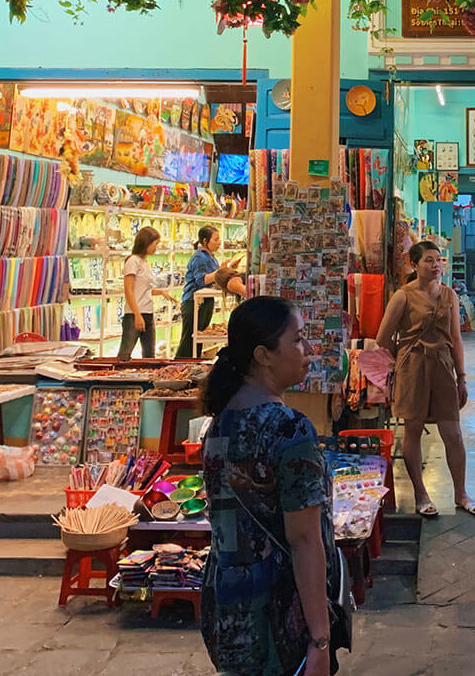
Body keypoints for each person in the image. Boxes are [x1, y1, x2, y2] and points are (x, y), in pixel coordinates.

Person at [200, 296, 340, 676]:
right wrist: (321, 640)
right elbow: (305, 541)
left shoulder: (219, 425)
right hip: (279, 614)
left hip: (226, 609)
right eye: (297, 340)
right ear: (264, 355)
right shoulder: (289, 429)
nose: (308, 349)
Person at [375, 241, 475, 518]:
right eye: (428, 260)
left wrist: (462, 377)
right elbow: (383, 338)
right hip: (413, 367)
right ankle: (421, 494)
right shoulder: (403, 296)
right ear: (414, 264)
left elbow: (456, 339)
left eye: (438, 260)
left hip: (444, 367)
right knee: (412, 430)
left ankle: (461, 493)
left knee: (453, 432)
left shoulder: (449, 295)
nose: (436, 265)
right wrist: (402, 361)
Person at [177, 226, 244, 359]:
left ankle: (193, 366)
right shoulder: (199, 257)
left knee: (198, 340)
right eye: (216, 239)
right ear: (205, 240)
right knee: (188, 341)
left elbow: (214, 279)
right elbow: (202, 280)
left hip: (206, 301)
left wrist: (225, 270)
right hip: (194, 303)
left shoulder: (211, 257)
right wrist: (221, 272)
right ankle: (179, 367)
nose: (219, 242)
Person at [120, 227, 175, 359]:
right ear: (146, 243)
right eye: (155, 244)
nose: (156, 248)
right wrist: (137, 314)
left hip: (148, 313)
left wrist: (161, 292)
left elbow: (143, 289)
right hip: (134, 314)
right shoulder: (132, 261)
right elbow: (128, 290)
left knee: (149, 356)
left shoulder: (144, 262)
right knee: (124, 354)